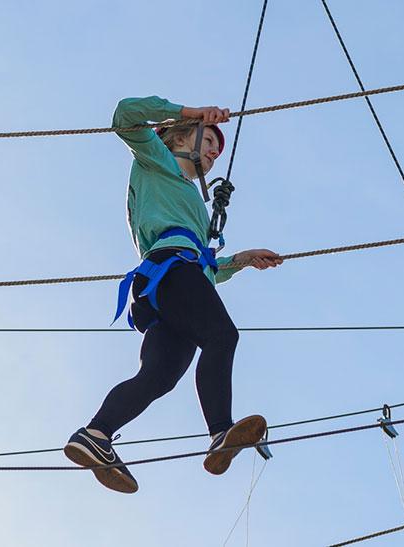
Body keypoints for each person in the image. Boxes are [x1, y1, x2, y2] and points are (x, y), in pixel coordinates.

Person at [64, 96, 283, 494]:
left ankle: (96, 434)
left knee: (158, 377)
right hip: (169, 270)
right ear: (179, 140)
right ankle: (220, 431)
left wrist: (240, 260)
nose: (216, 151)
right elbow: (124, 114)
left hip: (167, 284)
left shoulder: (191, 203)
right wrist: (191, 112)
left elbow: (203, 272)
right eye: (209, 140)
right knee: (222, 336)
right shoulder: (154, 160)